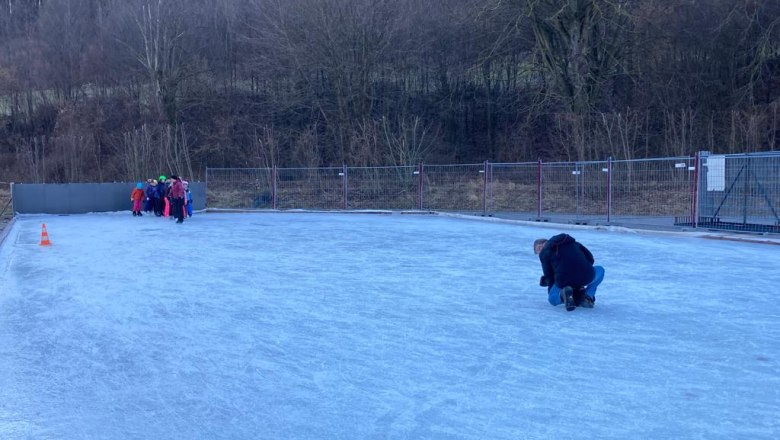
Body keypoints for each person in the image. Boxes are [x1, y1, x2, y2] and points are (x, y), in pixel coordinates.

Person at [534, 234, 605, 311]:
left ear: (544, 243)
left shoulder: (544, 253)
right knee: (600, 270)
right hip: (586, 275)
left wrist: (551, 289)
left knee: (552, 299)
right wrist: (582, 270)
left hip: (564, 280)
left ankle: (562, 295)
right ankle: (587, 296)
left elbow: (549, 276)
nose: (540, 251)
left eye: (539, 248)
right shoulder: (573, 243)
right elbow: (590, 258)